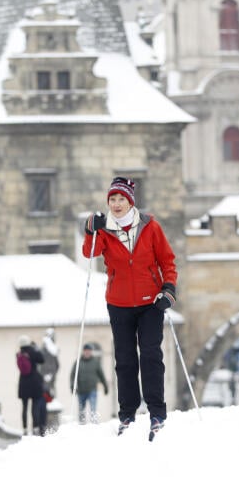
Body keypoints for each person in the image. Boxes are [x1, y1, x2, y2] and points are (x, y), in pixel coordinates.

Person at [82, 176, 177, 440]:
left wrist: (169, 289)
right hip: (119, 303)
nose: (116, 204)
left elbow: (167, 260)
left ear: (130, 201)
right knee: (124, 361)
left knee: (150, 356)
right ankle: (127, 414)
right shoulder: (104, 228)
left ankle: (157, 412)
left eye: (121, 199)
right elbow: (89, 253)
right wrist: (91, 229)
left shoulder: (150, 226)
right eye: (112, 199)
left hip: (151, 303)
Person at [69, 344, 109, 424]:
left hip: (92, 390)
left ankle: (94, 423)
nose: (87, 353)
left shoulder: (95, 362)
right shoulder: (78, 362)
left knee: (93, 408)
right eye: (86, 351)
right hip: (81, 390)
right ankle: (81, 424)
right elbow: (73, 375)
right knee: (81, 409)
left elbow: (101, 375)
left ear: (91, 352)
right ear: (83, 352)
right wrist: (72, 386)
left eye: (89, 351)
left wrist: (105, 386)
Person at [17, 335, 47, 436]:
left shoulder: (19, 354)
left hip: (23, 383)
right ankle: (35, 428)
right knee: (35, 408)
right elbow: (42, 360)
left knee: (24, 407)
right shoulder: (32, 352)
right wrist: (35, 349)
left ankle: (25, 429)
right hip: (35, 383)